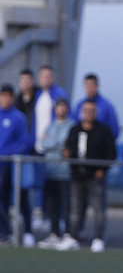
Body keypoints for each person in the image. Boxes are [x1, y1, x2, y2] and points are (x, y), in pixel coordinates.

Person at [57, 99, 117, 252]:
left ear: (95, 113)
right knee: (75, 208)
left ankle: (99, 238)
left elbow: (111, 153)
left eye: (92, 111)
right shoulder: (75, 129)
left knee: (98, 208)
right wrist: (67, 154)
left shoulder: (103, 131)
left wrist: (102, 169)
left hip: (95, 176)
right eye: (86, 110)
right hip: (77, 175)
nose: (89, 114)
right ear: (82, 112)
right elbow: (68, 148)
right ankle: (73, 236)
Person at [36, 98, 76, 249]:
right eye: (58, 107)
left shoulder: (71, 125)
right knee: (52, 205)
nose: (61, 109)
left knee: (66, 205)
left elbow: (64, 142)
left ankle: (68, 235)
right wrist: (56, 143)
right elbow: (43, 143)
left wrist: (53, 142)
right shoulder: (51, 126)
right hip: (50, 171)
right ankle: (54, 234)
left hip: (65, 172)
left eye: (63, 106)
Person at [0, 84, 31, 246]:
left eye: (8, 96)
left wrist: (7, 155)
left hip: (8, 165)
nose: (5, 99)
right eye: (2, 95)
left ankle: (6, 231)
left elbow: (23, 142)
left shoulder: (18, 118)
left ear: (12, 98)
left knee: (5, 198)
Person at [14, 69, 37, 245]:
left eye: (28, 79)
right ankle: (7, 230)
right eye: (22, 80)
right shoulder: (15, 102)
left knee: (26, 192)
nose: (25, 83)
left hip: (31, 153)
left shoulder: (41, 99)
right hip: (9, 159)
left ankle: (29, 230)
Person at [33, 65, 69, 154]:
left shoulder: (60, 94)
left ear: (53, 78)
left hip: (53, 148)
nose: (46, 79)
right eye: (44, 76)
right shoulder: (37, 94)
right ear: (39, 78)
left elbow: (66, 120)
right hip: (37, 145)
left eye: (48, 76)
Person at [74, 73, 120, 140]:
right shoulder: (79, 105)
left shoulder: (106, 105)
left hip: (100, 143)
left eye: (92, 85)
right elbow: (74, 124)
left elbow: (114, 130)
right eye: (87, 85)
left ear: (97, 86)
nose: (90, 88)